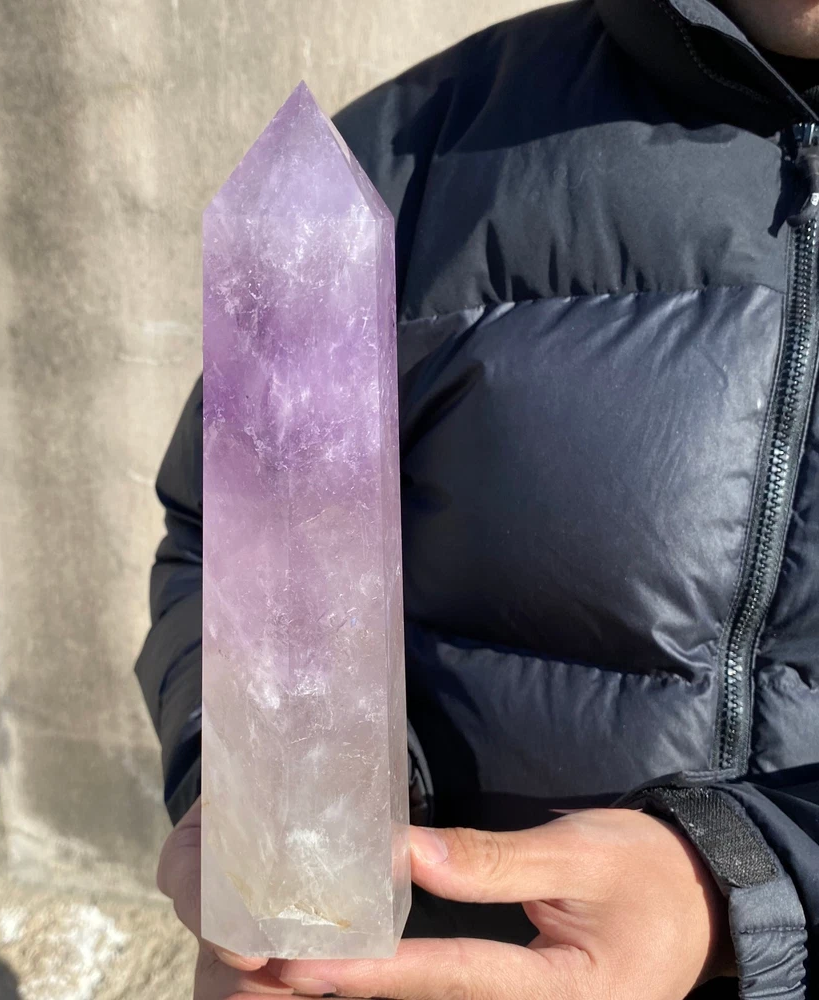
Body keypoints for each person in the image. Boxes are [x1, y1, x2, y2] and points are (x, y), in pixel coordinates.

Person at [137, 1, 819, 996]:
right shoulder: (403, 155)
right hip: (422, 961)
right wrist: (259, 797)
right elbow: (221, 540)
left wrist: (748, 886)